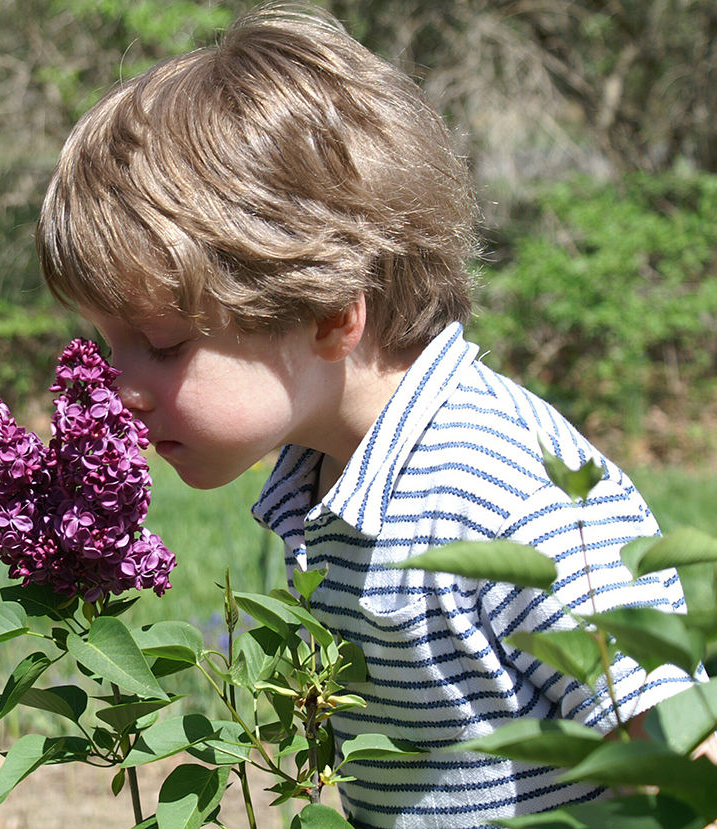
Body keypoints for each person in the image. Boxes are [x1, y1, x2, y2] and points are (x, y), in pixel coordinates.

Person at [34, 2, 694, 828]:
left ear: (328, 316)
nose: (117, 385)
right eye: (106, 342)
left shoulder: (504, 491)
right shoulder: (328, 469)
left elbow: (683, 765)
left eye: (163, 343)